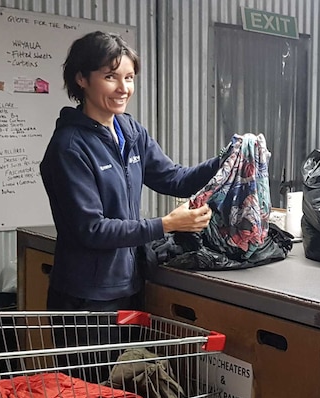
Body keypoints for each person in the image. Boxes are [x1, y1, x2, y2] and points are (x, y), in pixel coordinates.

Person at [40, 31, 220, 312]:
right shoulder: (70, 147)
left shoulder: (130, 131)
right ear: (82, 79)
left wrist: (226, 159)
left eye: (129, 77)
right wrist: (166, 224)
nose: (123, 88)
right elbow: (93, 230)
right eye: (110, 77)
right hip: (86, 295)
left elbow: (175, 179)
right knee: (92, 360)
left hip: (130, 283)